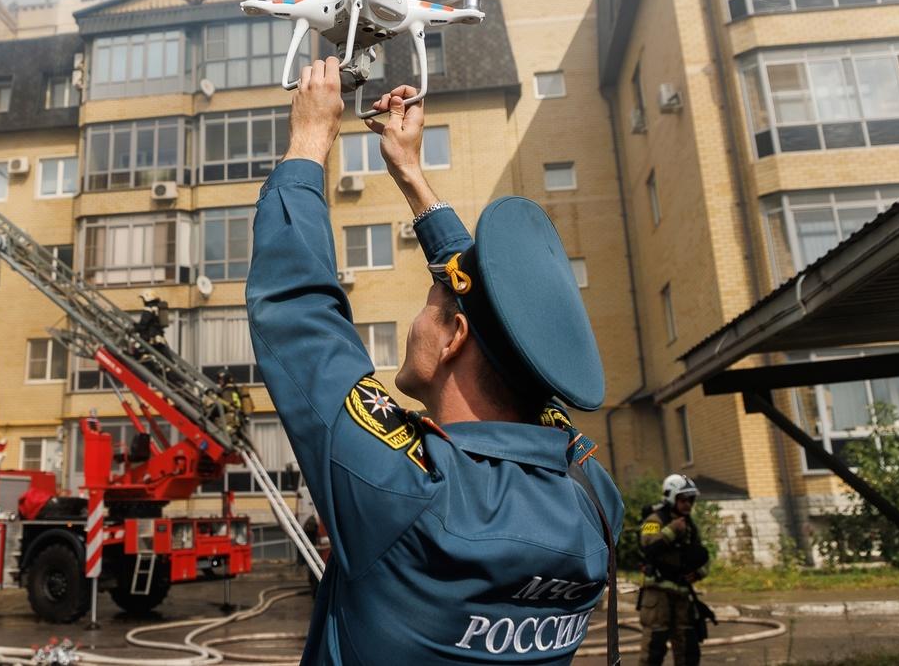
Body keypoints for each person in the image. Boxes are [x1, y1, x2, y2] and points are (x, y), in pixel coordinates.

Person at [246, 56, 624, 664]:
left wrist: (309, 138)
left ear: (452, 338)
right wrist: (412, 175)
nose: (415, 323)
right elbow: (520, 333)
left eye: (428, 308)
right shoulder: (591, 500)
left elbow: (297, 315)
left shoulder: (403, 489)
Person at [638, 474, 710, 666]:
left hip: (682, 595)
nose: (688, 504)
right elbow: (647, 545)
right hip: (658, 594)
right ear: (671, 497)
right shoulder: (655, 519)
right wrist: (671, 530)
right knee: (654, 648)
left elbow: (703, 556)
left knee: (689, 650)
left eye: (691, 500)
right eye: (683, 499)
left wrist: (698, 573)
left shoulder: (690, 526)